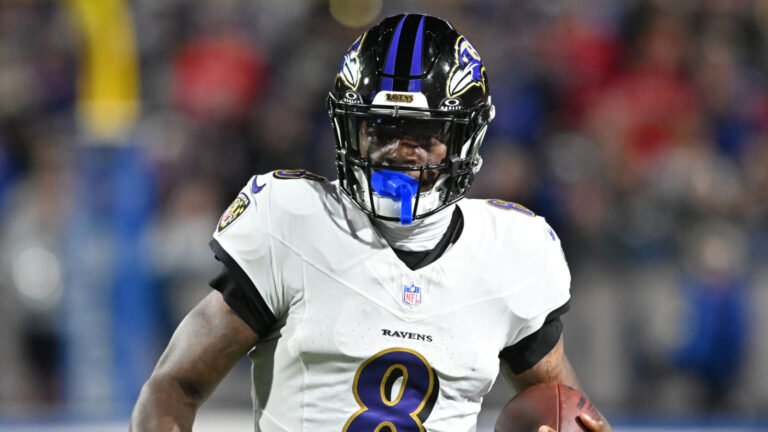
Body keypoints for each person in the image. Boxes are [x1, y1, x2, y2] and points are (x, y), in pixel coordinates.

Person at [131, 13, 611, 432]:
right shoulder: (294, 220)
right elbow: (175, 385)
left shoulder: (511, 254)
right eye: (381, 127)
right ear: (350, 129)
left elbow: (565, 410)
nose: (399, 150)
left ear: (463, 139)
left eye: (423, 133)